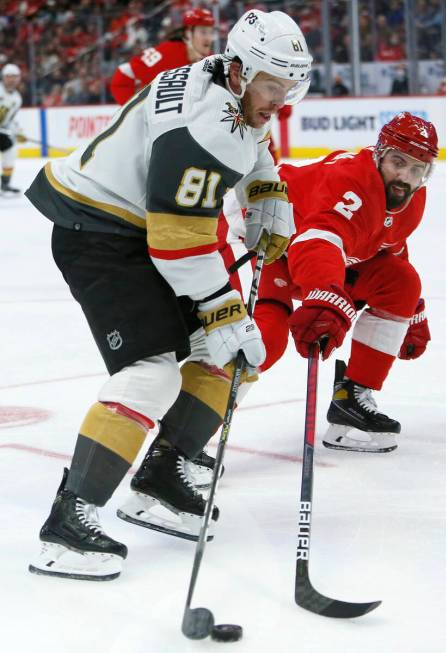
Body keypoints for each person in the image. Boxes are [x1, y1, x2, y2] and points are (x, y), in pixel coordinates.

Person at [26, 9, 312, 581]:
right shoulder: (203, 125)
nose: (279, 99)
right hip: (99, 231)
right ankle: (66, 525)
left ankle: (160, 477)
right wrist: (221, 307)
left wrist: (266, 187)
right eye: (271, 85)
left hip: (139, 229)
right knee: (151, 373)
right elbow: (177, 242)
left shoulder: (219, 73)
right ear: (242, 69)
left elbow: (250, 140)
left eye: (289, 87)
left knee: (233, 357)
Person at [118, 112, 438, 539]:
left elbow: (388, 249)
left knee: (401, 283)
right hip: (257, 230)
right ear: (380, 154)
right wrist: (325, 293)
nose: (406, 176)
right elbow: (317, 239)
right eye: (398, 162)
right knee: (258, 340)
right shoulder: (352, 183)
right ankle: (177, 448)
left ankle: (351, 403)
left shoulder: (411, 200)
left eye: (418, 169)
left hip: (307, 246)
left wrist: (410, 308)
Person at [110, 8, 216, 105]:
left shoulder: (211, 60)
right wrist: (135, 112)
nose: (209, 38)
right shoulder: (166, 53)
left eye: (211, 32)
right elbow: (123, 74)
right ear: (188, 33)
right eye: (203, 32)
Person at [0, 63, 27, 196]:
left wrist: (18, 132)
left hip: (1, 131)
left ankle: (5, 184)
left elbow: (10, 120)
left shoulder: (17, 98)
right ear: (3, 77)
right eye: (8, 76)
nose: (11, 79)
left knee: (10, 151)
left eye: (15, 76)